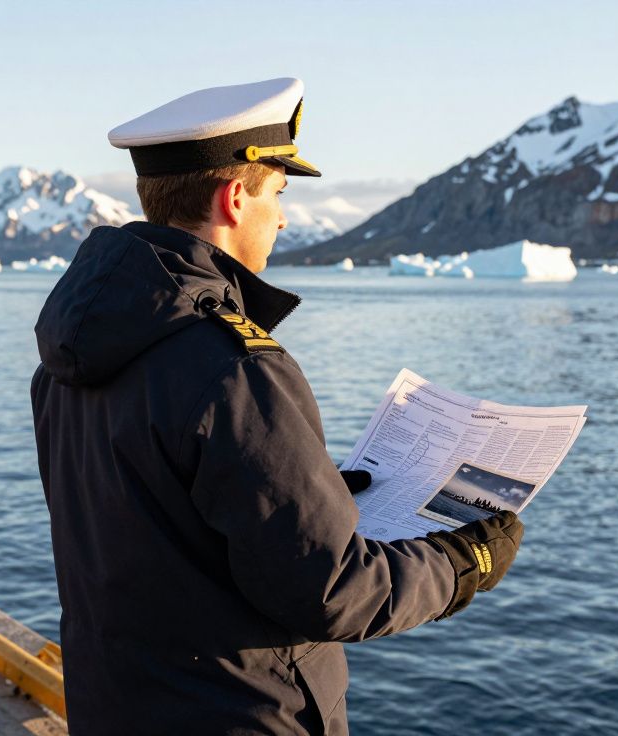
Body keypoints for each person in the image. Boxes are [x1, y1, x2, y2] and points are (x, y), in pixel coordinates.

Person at [31, 77, 525, 735]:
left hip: (114, 708)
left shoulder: (67, 357)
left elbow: (155, 521)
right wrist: (463, 566)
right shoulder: (237, 368)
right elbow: (330, 591)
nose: (285, 216)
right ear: (235, 199)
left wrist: (305, 491)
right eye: (279, 193)